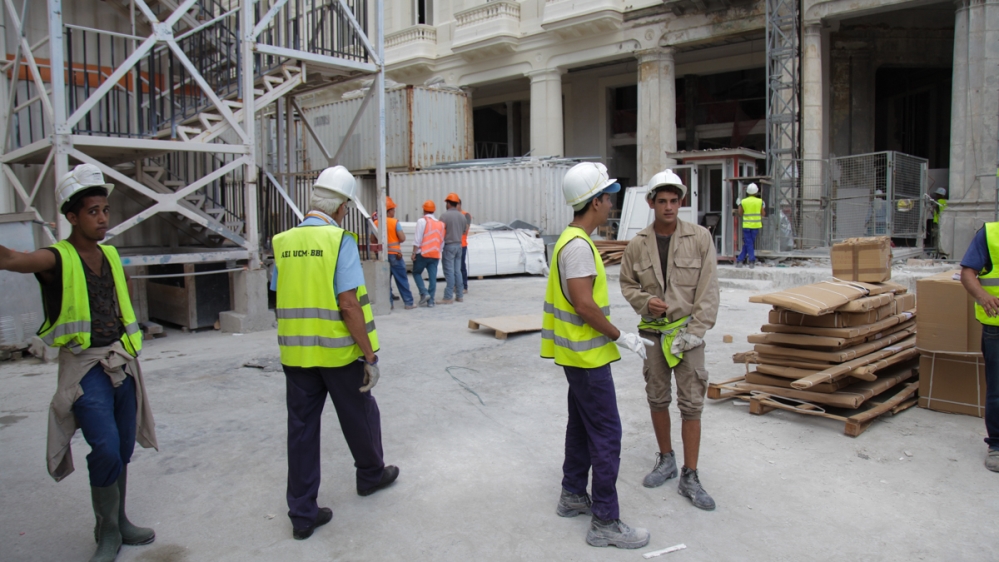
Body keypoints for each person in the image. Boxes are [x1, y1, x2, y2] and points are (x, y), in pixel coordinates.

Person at [0, 163, 157, 562]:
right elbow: (12, 259)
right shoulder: (56, 258)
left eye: (105, 210)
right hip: (85, 369)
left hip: (122, 362)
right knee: (103, 445)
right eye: (93, 211)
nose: (102, 218)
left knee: (121, 446)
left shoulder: (109, 253)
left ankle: (119, 521)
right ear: (72, 217)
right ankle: (105, 532)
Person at [271, 165, 399, 540]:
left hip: (296, 356)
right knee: (360, 414)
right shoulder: (338, 240)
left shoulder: (282, 241)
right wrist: (369, 355)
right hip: (338, 355)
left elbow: (279, 295)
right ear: (342, 205)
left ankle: (302, 514)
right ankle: (371, 475)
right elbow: (349, 305)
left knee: (301, 432)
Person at [542, 161, 654, 549]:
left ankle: (573, 493)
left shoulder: (571, 240)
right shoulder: (578, 247)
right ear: (595, 202)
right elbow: (585, 305)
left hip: (578, 358)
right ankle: (605, 520)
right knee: (607, 434)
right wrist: (621, 335)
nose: (612, 205)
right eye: (609, 198)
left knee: (581, 425)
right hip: (587, 360)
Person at [620, 169, 720, 511]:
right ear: (650, 203)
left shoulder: (700, 238)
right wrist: (646, 302)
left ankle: (690, 475)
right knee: (657, 396)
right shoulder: (638, 244)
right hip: (652, 334)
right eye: (661, 201)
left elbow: (709, 289)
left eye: (673, 201)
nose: (668, 207)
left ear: (681, 202)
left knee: (692, 403)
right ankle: (666, 459)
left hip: (687, 334)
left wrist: (696, 332)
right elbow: (627, 284)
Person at [958, 222, 999, 473]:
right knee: (997, 389)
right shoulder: (991, 233)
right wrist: (983, 296)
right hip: (997, 326)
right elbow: (967, 272)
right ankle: (996, 446)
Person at [372, 196, 415, 310]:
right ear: (389, 210)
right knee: (401, 279)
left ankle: (388, 303)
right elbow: (402, 238)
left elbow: (372, 239)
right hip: (395, 255)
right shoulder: (395, 222)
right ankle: (408, 302)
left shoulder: (376, 222)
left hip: (382, 255)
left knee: (385, 281)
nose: (394, 212)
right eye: (393, 210)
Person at [412, 200, 444, 307]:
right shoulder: (440, 224)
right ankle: (431, 301)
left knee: (416, 273)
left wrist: (414, 252)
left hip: (423, 253)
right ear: (434, 210)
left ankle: (424, 293)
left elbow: (417, 239)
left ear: (424, 210)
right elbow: (442, 241)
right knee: (432, 278)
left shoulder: (422, 221)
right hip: (435, 254)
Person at [439, 192, 466, 304]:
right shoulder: (462, 216)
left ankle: (448, 297)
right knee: (457, 271)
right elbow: (464, 231)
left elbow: (439, 232)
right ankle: (459, 296)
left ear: (449, 203)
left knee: (449, 272)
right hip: (459, 245)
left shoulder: (444, 216)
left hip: (449, 245)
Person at [736, 183, 765, 268]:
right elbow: (763, 213)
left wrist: (739, 205)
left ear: (747, 192)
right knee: (749, 243)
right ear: (756, 192)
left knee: (748, 243)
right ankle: (751, 260)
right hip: (756, 225)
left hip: (746, 225)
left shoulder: (743, 201)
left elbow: (740, 213)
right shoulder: (760, 201)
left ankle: (740, 260)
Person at [459, 201, 472, 293]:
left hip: (462, 244)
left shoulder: (465, 215)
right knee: (455, 267)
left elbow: (465, 229)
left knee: (461, 266)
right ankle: (457, 285)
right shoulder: (453, 215)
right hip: (454, 243)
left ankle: (464, 286)